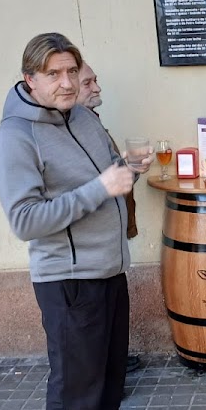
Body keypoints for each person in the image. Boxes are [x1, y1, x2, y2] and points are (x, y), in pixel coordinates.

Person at [0, 33, 154, 410]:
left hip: (107, 267)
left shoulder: (81, 116)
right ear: (30, 80)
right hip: (67, 278)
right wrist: (101, 187)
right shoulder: (15, 138)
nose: (66, 83)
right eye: (54, 74)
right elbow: (26, 221)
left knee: (109, 372)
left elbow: (104, 178)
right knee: (74, 387)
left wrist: (126, 172)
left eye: (71, 72)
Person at [76, 62, 142, 373]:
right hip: (88, 254)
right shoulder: (72, 136)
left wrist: (132, 169)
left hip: (110, 249)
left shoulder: (93, 125)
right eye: (88, 83)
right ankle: (104, 371)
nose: (97, 88)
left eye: (95, 80)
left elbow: (114, 179)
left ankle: (112, 365)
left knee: (111, 321)